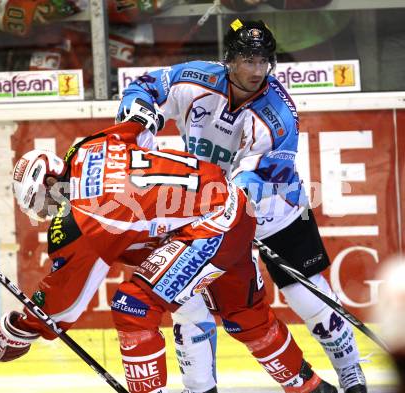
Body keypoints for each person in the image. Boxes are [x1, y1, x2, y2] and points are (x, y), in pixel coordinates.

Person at [0, 120, 336, 393]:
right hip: (229, 203)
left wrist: (19, 328)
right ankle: (311, 386)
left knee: (132, 306)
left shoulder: (82, 219)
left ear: (48, 181)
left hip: (210, 225)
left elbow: (61, 307)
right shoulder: (91, 145)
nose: (47, 213)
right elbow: (142, 130)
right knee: (244, 314)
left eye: (43, 203)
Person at [117, 18, 367, 393]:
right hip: (211, 215)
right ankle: (200, 386)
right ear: (229, 60)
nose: (256, 70)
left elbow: (262, 177)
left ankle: (350, 370)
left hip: (276, 211)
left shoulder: (278, 115)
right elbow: (144, 88)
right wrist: (140, 121)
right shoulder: (195, 80)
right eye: (247, 60)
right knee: (190, 297)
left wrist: (219, 204)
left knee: (305, 294)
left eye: (263, 61)